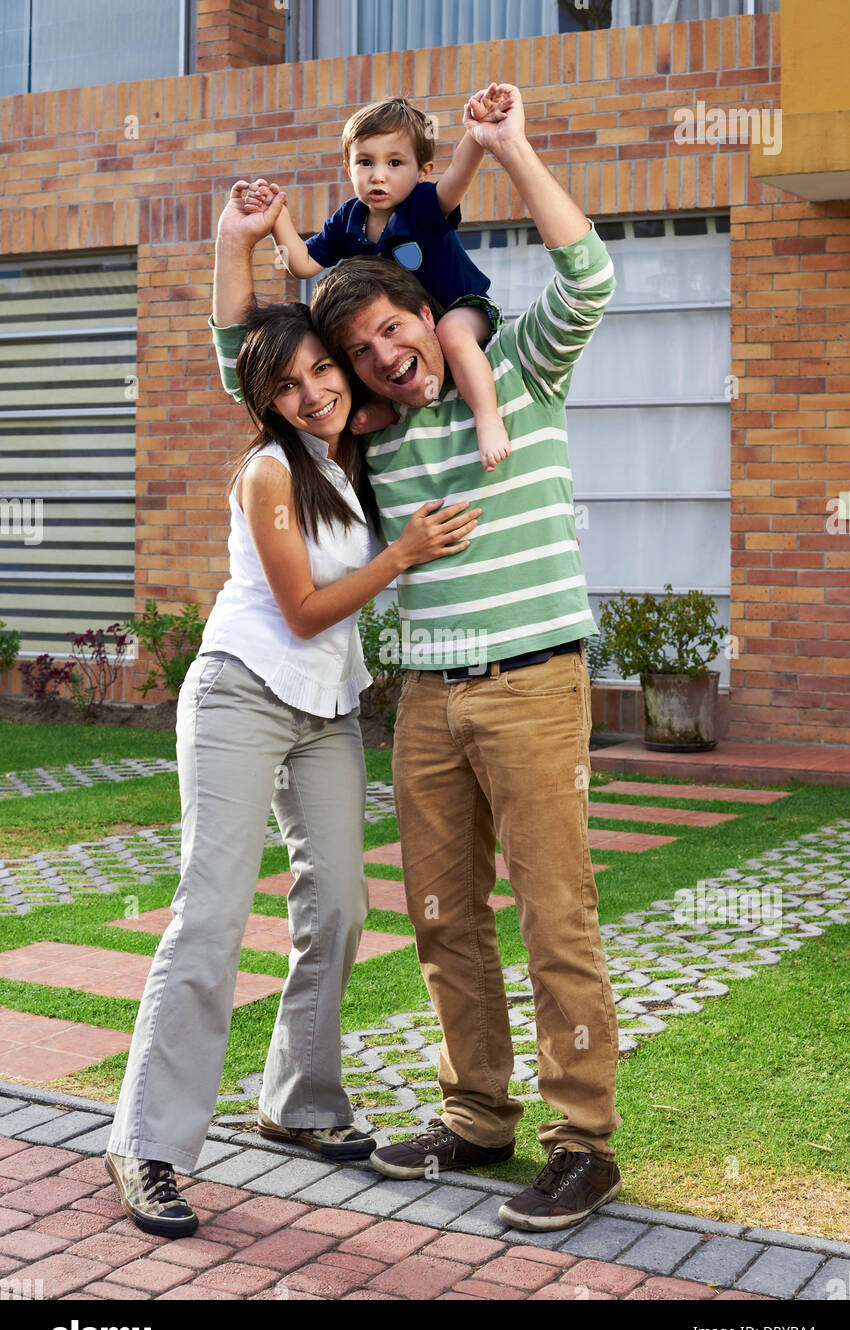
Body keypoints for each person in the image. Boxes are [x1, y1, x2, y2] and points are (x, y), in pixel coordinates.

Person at [213, 82, 623, 1235]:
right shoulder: (370, 445)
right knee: (443, 916)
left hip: (534, 682)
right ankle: (475, 1115)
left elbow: (590, 276)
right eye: (358, 350)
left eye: (392, 329)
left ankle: (581, 1142)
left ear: (422, 310)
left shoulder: (526, 374)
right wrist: (234, 247)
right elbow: (246, 366)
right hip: (426, 704)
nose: (382, 357)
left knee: (555, 914)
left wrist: (512, 148)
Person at [102, 189, 481, 1239]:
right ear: (261, 398)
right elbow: (306, 607)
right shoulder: (270, 470)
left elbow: (373, 305)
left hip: (324, 706)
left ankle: (297, 1105)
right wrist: (234, 238)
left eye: (325, 369)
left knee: (343, 905)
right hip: (239, 688)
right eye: (292, 381)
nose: (315, 389)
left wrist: (297, 239)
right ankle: (148, 1145)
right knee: (212, 913)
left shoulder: (344, 450)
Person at [242, 88, 512, 472]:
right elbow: (300, 264)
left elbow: (457, 180)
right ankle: (386, 405)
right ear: (349, 168)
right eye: (366, 162)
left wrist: (477, 134)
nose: (378, 175)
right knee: (360, 345)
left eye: (395, 162)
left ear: (422, 172)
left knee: (451, 333)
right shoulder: (348, 220)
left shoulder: (421, 206)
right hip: (405, 331)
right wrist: (276, 217)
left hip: (463, 309)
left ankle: (488, 417)